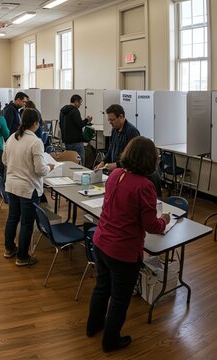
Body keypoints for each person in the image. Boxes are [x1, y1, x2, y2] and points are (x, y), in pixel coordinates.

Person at [87, 136, 169, 353]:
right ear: (149, 160)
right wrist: (165, 222)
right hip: (122, 251)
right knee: (120, 299)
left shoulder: (115, 174)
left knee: (102, 288)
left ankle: (93, 326)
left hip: (101, 242)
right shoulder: (145, 186)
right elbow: (151, 225)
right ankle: (110, 341)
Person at [2, 109, 54, 266]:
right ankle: (23, 257)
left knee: (12, 218)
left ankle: (9, 249)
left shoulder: (12, 137)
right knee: (26, 222)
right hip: (28, 188)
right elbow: (40, 170)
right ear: (35, 123)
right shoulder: (36, 142)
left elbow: (4, 161)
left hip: (12, 186)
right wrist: (50, 168)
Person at [94, 104, 140, 172]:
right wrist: (103, 162)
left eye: (112, 120)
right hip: (114, 171)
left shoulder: (132, 132)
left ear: (121, 116)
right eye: (108, 120)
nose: (110, 123)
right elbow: (111, 148)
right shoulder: (114, 130)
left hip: (126, 171)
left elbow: (133, 157)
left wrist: (117, 165)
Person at [59, 94, 93, 166]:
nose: (80, 105)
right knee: (80, 162)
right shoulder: (74, 111)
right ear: (76, 102)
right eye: (80, 103)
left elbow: (60, 124)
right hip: (76, 142)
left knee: (70, 162)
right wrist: (87, 120)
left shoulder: (62, 111)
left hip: (67, 141)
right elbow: (79, 124)